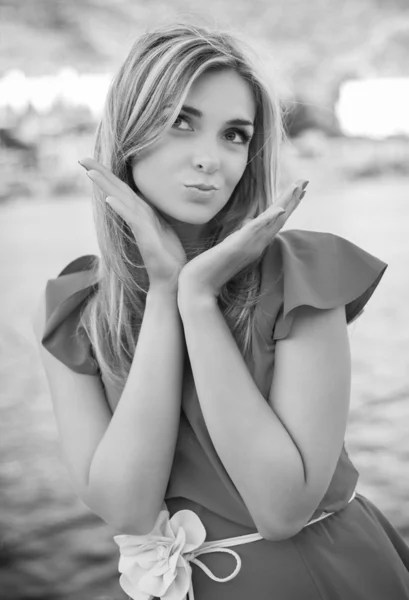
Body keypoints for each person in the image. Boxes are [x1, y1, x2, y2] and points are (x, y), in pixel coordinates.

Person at [32, 21, 409, 600]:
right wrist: (164, 294)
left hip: (325, 580)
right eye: (181, 122)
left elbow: (282, 509)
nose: (211, 158)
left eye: (235, 134)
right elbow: (128, 510)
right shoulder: (75, 306)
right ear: (130, 131)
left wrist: (198, 300)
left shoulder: (300, 274)